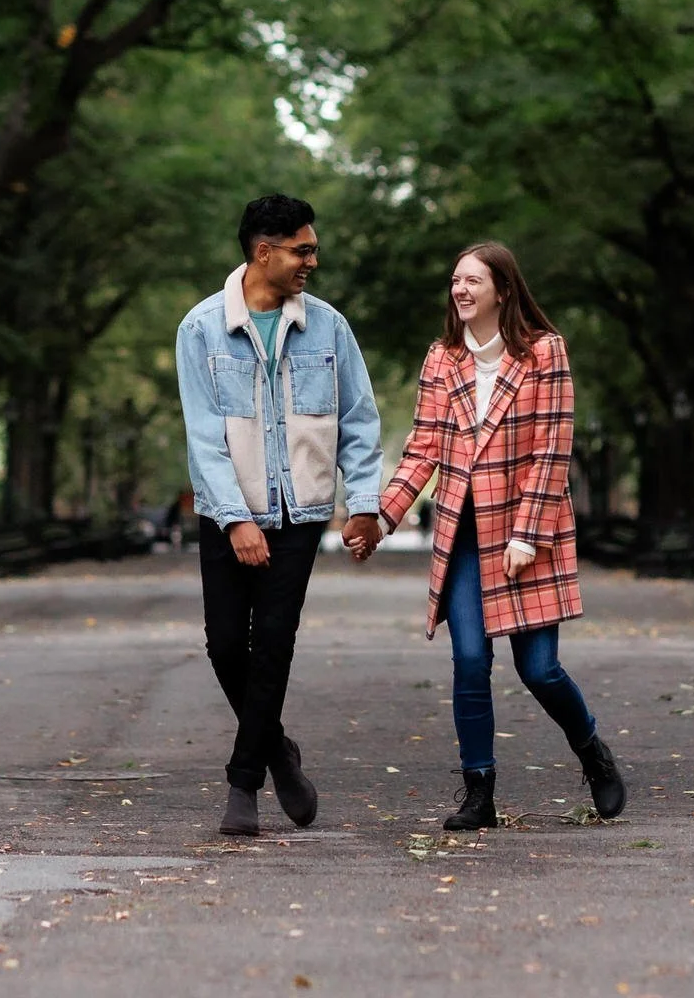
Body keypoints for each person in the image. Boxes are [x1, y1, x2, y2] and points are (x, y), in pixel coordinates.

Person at [375, 241, 625, 828]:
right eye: (455, 280)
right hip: (464, 531)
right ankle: (479, 791)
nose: (460, 290)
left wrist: (527, 533)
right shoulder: (442, 358)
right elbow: (423, 448)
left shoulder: (544, 353)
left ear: (503, 291)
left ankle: (593, 753)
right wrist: (382, 518)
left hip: (526, 533)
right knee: (468, 660)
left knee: (539, 670)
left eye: (473, 281)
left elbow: (552, 448)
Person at [176, 194, 386, 836]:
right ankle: (279, 754)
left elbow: (358, 420)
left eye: (312, 248)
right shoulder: (202, 329)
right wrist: (236, 519)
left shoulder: (329, 329)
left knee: (271, 647)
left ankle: (244, 786)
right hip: (224, 513)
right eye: (302, 249)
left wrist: (366, 504)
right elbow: (204, 435)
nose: (312, 262)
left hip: (300, 515)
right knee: (222, 645)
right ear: (263, 251)